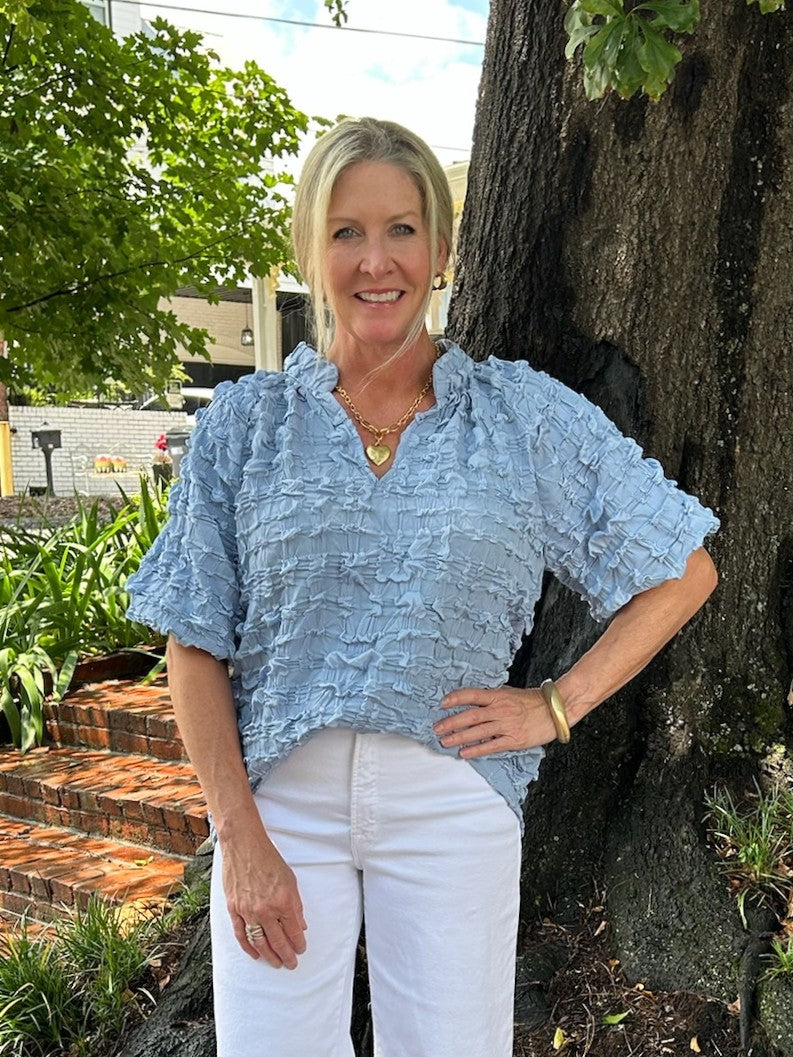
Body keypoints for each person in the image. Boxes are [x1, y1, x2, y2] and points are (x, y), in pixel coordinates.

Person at [126, 117, 719, 1057]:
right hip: (278, 810)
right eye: (346, 231)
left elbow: (683, 570)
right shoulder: (247, 424)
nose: (376, 261)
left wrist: (555, 705)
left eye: (401, 229)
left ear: (440, 249)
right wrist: (235, 834)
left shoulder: (518, 418)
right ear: (309, 250)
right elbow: (193, 643)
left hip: (452, 803)